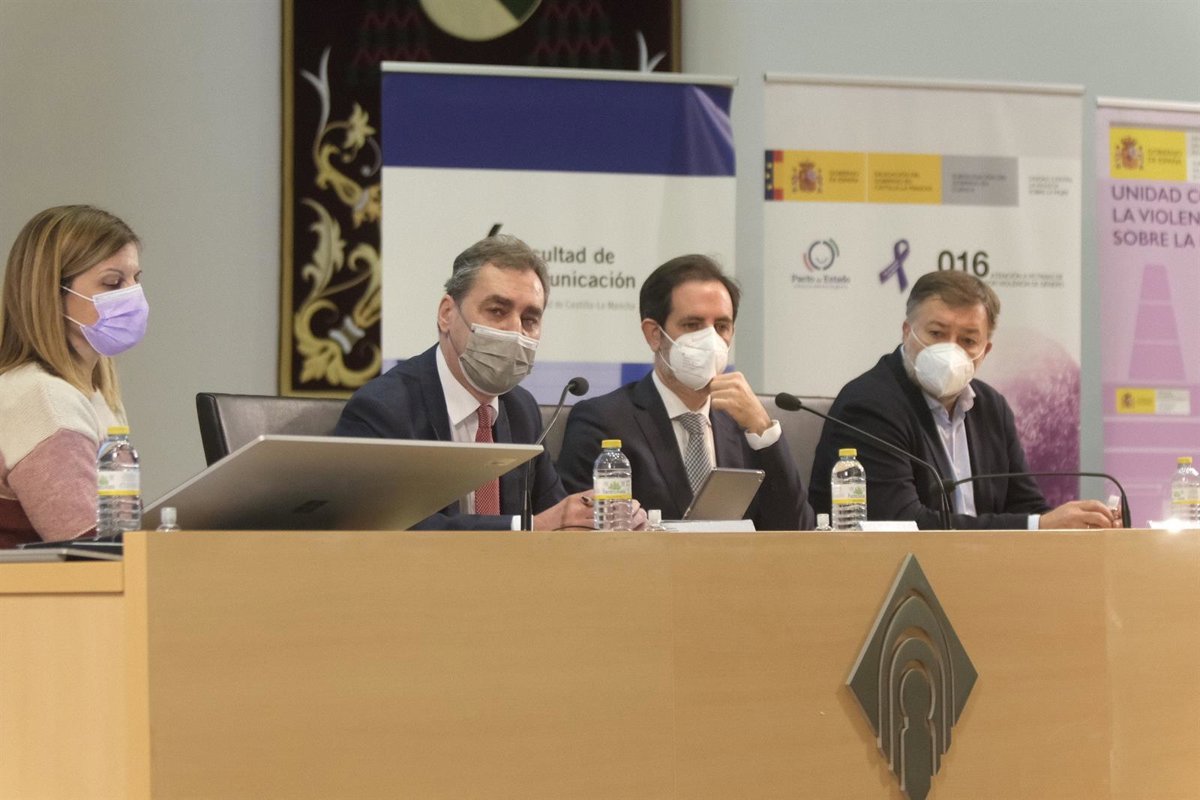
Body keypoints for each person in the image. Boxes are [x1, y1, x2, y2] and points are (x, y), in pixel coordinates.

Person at [334, 234, 643, 531]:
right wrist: (526, 528)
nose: (515, 330)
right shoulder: (384, 408)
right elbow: (384, 527)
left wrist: (595, 518)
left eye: (530, 319)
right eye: (497, 311)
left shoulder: (522, 409)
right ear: (447, 314)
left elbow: (554, 517)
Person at [808, 270, 1118, 530]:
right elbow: (904, 523)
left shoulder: (991, 407)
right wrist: (1038, 525)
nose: (950, 350)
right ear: (907, 332)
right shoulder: (870, 405)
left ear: (985, 351)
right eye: (936, 333)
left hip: (984, 570)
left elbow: (1026, 507)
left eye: (968, 340)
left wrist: (1076, 525)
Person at [557, 254, 814, 530]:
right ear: (654, 334)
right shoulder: (603, 421)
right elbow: (580, 534)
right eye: (692, 325)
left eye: (721, 327)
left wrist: (764, 432)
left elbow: (798, 531)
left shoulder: (746, 426)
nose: (710, 340)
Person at [0, 205, 148, 547]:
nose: (132, 296)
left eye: (135, 280)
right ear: (52, 293)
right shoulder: (40, 397)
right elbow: (91, 547)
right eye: (113, 282)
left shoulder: (95, 395)